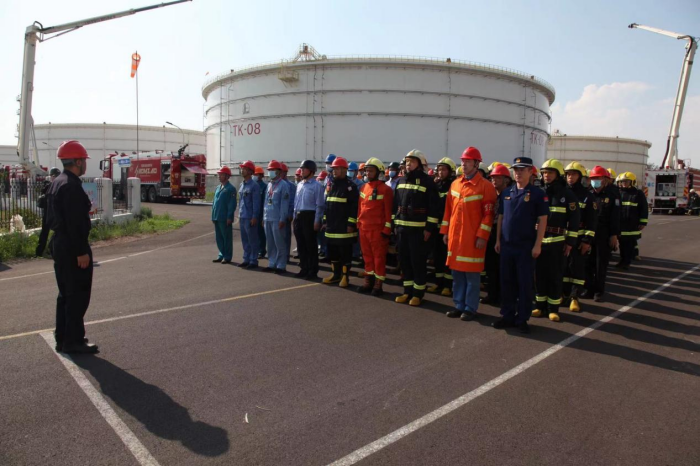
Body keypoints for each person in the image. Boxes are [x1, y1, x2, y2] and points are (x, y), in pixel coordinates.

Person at [46, 140, 98, 354]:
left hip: (61, 244)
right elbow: (75, 223)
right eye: (84, 160)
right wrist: (81, 251)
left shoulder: (58, 182)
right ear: (77, 162)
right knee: (77, 295)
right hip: (72, 247)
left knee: (65, 294)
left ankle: (63, 337)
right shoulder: (71, 186)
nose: (85, 164)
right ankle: (73, 342)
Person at [492, 157, 549, 334]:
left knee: (524, 283)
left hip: (525, 247)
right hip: (507, 246)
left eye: (522, 170)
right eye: (516, 170)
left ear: (530, 172)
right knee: (507, 282)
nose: (518, 173)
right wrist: (498, 240)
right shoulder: (507, 192)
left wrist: (538, 245)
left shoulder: (538, 194)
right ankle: (507, 315)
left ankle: (522, 318)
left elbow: (543, 220)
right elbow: (501, 217)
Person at [441, 148, 497, 320]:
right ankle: (459, 305)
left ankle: (470, 308)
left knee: (472, 275)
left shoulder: (486, 186)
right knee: (457, 273)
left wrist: (482, 236)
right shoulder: (455, 184)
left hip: (472, 239)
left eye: (468, 161)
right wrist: (445, 231)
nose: (464, 164)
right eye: (463, 161)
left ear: (476, 164)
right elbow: (448, 210)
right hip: (455, 238)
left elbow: (488, 215)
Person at [532, 159, 580, 322]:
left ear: (558, 175)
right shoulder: (538, 192)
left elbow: (574, 220)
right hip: (539, 241)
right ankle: (540, 306)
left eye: (550, 172)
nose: (546, 175)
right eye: (544, 172)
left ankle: (553, 309)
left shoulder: (567, 195)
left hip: (558, 243)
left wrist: (570, 242)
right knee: (539, 276)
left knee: (555, 276)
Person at [393, 149, 440, 306]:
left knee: (417, 263)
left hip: (418, 231)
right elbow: (395, 205)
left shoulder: (427, 182)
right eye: (407, 161)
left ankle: (418, 294)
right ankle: (407, 292)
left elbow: (434, 208)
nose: (408, 164)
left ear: (420, 164)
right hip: (402, 230)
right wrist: (395, 224)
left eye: (412, 161)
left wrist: (429, 228)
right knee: (404, 262)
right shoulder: (400, 181)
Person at [563, 162, 597, 313]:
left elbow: (592, 221)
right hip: (563, 238)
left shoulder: (587, 197)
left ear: (581, 177)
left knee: (577, 268)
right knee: (564, 268)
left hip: (579, 239)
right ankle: (564, 295)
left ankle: (574, 297)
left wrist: (586, 241)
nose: (570, 177)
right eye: (568, 174)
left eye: (574, 174)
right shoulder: (562, 193)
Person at [357, 157, 394, 296]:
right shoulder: (363, 187)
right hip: (364, 229)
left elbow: (388, 212)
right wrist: (358, 224)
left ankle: (378, 284)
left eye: (371, 171)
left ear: (379, 172)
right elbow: (360, 208)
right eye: (366, 171)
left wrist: (387, 229)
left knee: (379, 258)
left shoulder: (386, 190)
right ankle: (368, 281)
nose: (368, 173)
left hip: (378, 230)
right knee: (367, 256)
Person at [584, 165, 620, 302]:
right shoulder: (588, 194)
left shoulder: (612, 195)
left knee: (600, 264)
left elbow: (615, 217)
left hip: (603, 233)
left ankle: (598, 291)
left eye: (598, 178)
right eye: (593, 178)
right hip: (588, 233)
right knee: (588, 263)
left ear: (605, 179)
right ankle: (588, 289)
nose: (595, 181)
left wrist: (614, 235)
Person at [322, 157, 359, 287]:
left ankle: (345, 277)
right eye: (333, 169)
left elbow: (354, 208)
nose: (334, 171)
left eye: (337, 169)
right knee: (333, 252)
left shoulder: (351, 187)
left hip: (344, 228)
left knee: (345, 253)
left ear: (344, 170)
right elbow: (327, 205)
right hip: (331, 227)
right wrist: (325, 220)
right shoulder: (331, 185)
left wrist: (351, 224)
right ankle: (335, 275)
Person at [482, 163, 512, 306]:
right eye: (492, 177)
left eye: (497, 178)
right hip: (491, 232)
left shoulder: (510, 195)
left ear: (506, 180)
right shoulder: (492, 194)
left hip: (504, 234)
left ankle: (503, 296)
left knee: (503, 268)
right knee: (491, 266)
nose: (494, 180)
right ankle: (492, 294)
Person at [428, 157, 456, 297]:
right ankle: (438, 283)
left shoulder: (454, 185)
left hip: (448, 228)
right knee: (438, 256)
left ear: (450, 171)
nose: (441, 172)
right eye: (439, 169)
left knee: (447, 257)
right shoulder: (436, 185)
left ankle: (448, 285)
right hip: (436, 227)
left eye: (444, 170)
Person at [293, 160, 325, 279]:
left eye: (304, 169)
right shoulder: (300, 184)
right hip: (299, 216)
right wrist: (295, 217)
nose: (301, 171)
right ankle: (304, 268)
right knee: (301, 244)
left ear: (311, 171)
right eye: (301, 169)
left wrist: (317, 221)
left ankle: (312, 270)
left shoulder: (317, 186)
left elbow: (319, 205)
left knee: (310, 245)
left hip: (309, 216)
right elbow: (296, 202)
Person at [264, 160, 291, 274]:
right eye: (269, 170)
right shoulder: (269, 185)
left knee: (279, 243)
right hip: (268, 217)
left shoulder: (283, 185)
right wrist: (264, 217)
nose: (270, 172)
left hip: (277, 219)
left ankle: (281, 265)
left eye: (272, 170)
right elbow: (266, 202)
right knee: (270, 243)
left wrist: (282, 219)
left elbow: (285, 203)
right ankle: (272, 263)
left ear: (279, 172)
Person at [616, 172, 648, 269]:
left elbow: (644, 208)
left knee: (629, 245)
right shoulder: (618, 193)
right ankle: (623, 261)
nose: (624, 183)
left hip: (632, 225)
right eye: (622, 181)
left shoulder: (638, 193)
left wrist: (643, 222)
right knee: (622, 244)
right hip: (621, 224)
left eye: (627, 181)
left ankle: (626, 262)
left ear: (632, 182)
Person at [237, 160, 261, 269]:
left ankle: (253, 260)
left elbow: (256, 202)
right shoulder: (242, 185)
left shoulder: (254, 186)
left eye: (245, 169)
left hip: (250, 217)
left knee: (252, 240)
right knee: (245, 240)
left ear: (250, 171)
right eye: (242, 168)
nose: (242, 170)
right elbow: (240, 201)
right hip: (242, 216)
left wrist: (255, 216)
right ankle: (246, 259)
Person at [212, 166, 237, 264]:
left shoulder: (231, 189)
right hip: (217, 217)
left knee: (226, 238)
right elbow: (214, 203)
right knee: (219, 238)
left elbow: (232, 204)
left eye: (221, 174)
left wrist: (229, 217)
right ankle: (221, 254)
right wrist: (213, 215)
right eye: (219, 174)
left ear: (227, 176)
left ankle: (227, 256)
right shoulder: (218, 188)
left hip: (224, 217)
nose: (219, 176)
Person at [36, 167, 62, 257]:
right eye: (54, 176)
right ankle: (40, 251)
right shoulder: (48, 185)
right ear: (51, 176)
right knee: (45, 232)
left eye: (57, 176)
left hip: (54, 213)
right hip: (48, 213)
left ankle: (51, 249)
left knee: (57, 231)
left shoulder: (58, 186)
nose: (56, 178)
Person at [280, 163, 295, 261]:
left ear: (285, 172)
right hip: (276, 214)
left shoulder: (291, 185)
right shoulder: (274, 184)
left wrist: (290, 213)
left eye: (280, 171)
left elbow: (292, 200)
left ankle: (285, 256)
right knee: (277, 237)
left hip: (286, 215)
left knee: (285, 236)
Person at [254, 166, 267, 259]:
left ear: (261, 175)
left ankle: (261, 250)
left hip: (260, 213)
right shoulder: (252, 185)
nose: (255, 176)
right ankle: (255, 250)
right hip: (253, 213)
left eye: (256, 174)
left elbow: (265, 202)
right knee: (253, 233)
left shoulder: (264, 186)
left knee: (260, 233)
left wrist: (263, 216)